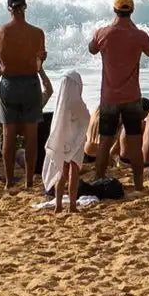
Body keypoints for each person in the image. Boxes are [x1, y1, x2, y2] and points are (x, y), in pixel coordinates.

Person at [89, 0, 149, 190]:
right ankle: (138, 185)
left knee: (105, 142)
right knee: (135, 144)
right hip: (132, 97)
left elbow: (92, 49)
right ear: (132, 11)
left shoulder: (104, 33)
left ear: (114, 10)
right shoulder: (139, 35)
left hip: (109, 97)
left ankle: (98, 181)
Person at [0, 0, 47, 191]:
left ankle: (9, 180)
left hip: (9, 83)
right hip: (30, 82)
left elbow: (0, 57)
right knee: (31, 135)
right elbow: (39, 60)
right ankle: (29, 181)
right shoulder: (37, 33)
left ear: (9, 9)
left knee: (9, 134)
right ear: (25, 6)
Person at [43, 72, 91, 214]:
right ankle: (72, 205)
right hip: (75, 143)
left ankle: (58, 205)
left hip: (63, 141)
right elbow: (85, 119)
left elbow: (56, 127)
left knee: (62, 173)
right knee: (73, 174)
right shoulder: (78, 104)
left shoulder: (60, 107)